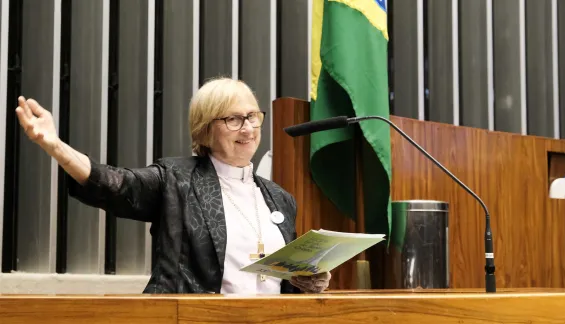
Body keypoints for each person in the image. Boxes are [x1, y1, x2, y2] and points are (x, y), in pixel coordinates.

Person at [15, 77, 331, 294]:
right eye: (233, 119)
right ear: (206, 129)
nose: (247, 127)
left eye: (252, 116)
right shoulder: (177, 180)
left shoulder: (279, 199)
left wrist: (304, 279)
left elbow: (276, 281)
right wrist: (54, 145)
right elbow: (112, 183)